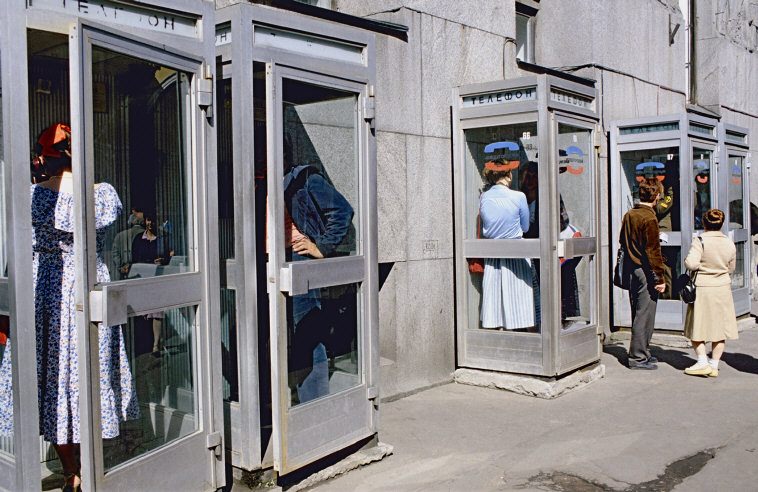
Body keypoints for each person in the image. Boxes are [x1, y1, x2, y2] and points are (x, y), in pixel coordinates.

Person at [0, 123, 138, 491]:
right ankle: (91, 470)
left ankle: (70, 469)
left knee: (51, 380)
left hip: (46, 291)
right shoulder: (99, 195)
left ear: (43, 157)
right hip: (87, 286)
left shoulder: (31, 196)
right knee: (89, 376)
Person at [283, 139, 354, 404]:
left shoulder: (303, 179)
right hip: (265, 262)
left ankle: (315, 405)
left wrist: (321, 247)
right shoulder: (258, 183)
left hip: (297, 260)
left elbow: (343, 211)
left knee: (307, 334)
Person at [479, 159, 536, 331]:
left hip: (493, 255)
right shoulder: (519, 196)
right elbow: (525, 227)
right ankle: (521, 335)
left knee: (495, 297)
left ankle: (499, 335)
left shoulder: (484, 196)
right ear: (508, 175)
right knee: (519, 299)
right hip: (516, 253)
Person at [682, 209, 738, 377]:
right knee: (719, 328)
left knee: (697, 325)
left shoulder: (700, 240)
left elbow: (691, 264)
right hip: (722, 288)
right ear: (721, 224)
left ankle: (702, 361)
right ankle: (714, 365)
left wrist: (702, 266)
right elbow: (731, 268)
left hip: (703, 288)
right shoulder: (729, 242)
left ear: (704, 223)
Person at [619, 177, 666, 369]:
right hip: (645, 271)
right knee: (645, 314)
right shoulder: (649, 218)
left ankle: (644, 353)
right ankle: (638, 357)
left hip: (632, 268)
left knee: (639, 312)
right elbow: (652, 251)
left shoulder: (630, 214)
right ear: (656, 195)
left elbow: (623, 240)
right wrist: (660, 277)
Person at [110, 207, 145, 280]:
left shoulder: (119, 235)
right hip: (142, 272)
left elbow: (115, 253)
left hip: (125, 273)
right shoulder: (147, 235)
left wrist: (121, 267)